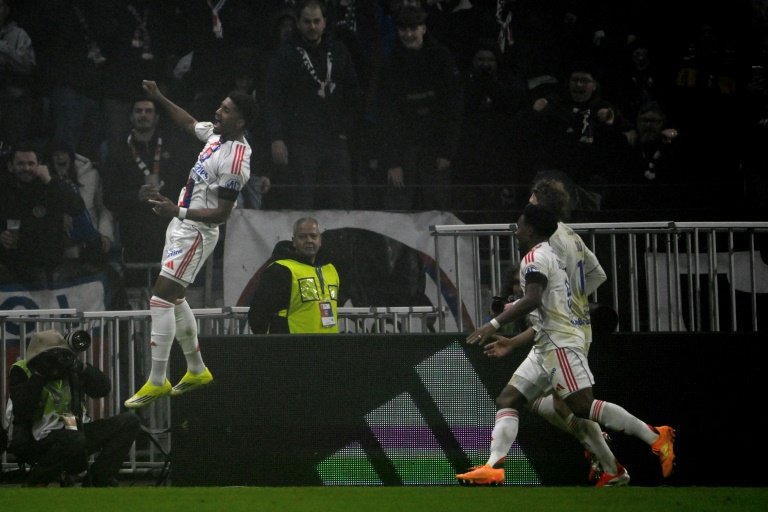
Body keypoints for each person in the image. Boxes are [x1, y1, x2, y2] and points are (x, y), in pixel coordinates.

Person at [456, 203, 676, 486]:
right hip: (545, 343)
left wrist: (493, 324)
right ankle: (493, 467)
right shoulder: (551, 255)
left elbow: (533, 298)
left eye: (520, 225)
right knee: (508, 399)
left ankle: (655, 436)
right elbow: (546, 302)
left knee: (581, 406)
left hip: (559, 343)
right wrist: (511, 332)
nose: (516, 230)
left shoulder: (536, 257)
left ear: (531, 229)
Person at [124, 79, 255, 408]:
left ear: (241, 121)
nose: (218, 112)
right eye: (221, 106)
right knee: (175, 297)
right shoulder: (217, 134)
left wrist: (178, 211)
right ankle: (197, 370)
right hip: (181, 225)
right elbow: (188, 122)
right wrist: (159, 96)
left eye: (226, 110)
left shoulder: (236, 161)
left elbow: (222, 214)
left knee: (160, 299)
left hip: (196, 232)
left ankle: (157, 380)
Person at [4, 329, 141, 487]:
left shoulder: (70, 368)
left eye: (60, 355)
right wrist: (40, 375)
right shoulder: (22, 370)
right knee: (74, 438)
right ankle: (36, 481)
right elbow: (22, 409)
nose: (56, 361)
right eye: (51, 357)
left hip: (73, 428)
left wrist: (80, 367)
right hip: (35, 438)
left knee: (129, 421)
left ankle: (100, 477)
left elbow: (102, 389)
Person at [263, 0, 361, 209]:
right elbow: (273, 99)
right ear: (298, 23)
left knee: (340, 200)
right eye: (307, 22)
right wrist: (277, 137)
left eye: (317, 21)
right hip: (300, 142)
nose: (312, 27)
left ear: (325, 22)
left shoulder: (338, 51)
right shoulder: (285, 54)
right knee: (303, 201)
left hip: (334, 140)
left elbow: (353, 93)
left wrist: (346, 128)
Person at [377, 5, 463, 211]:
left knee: (437, 209)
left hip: (434, 148)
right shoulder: (390, 62)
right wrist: (392, 162)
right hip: (403, 149)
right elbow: (386, 114)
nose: (408, 34)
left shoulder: (441, 57)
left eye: (413, 28)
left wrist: (447, 151)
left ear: (423, 28)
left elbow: (453, 107)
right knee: (398, 210)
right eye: (403, 29)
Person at [102, 96, 193, 268]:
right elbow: (109, 198)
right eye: (138, 111)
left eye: (148, 111)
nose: (143, 115)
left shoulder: (174, 148)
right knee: (136, 282)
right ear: (131, 117)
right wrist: (136, 196)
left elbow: (187, 186)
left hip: (169, 231)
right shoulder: (118, 152)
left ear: (156, 117)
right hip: (134, 234)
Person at [0, 145, 86, 284]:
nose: (26, 168)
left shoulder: (52, 186)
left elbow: (77, 208)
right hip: (11, 263)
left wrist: (49, 181)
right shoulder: (4, 189)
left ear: (39, 165)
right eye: (20, 164)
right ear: (11, 166)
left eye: (31, 163)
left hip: (47, 265)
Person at [248, 217, 340, 334]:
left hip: (329, 343)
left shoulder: (330, 269)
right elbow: (258, 314)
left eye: (313, 236)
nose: (309, 240)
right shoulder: (280, 270)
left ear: (320, 240)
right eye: (302, 237)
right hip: (293, 344)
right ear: (294, 241)